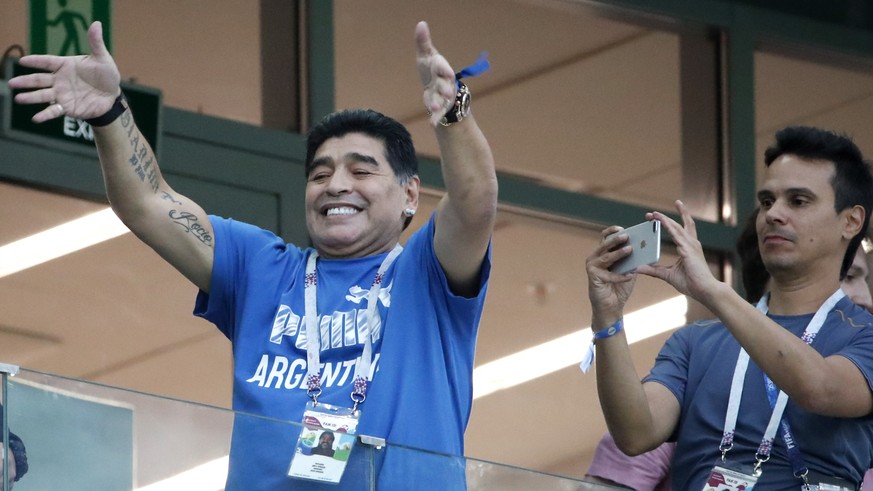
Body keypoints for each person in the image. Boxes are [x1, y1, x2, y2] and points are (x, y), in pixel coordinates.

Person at [9, 20, 496, 490]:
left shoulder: (426, 276)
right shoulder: (265, 268)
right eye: (320, 174)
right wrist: (110, 114)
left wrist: (454, 114)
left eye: (361, 170)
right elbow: (150, 204)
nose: (337, 185)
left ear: (411, 195)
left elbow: (474, 204)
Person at [586, 126, 873, 489]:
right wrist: (608, 317)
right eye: (767, 202)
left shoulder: (864, 335)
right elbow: (635, 433)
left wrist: (711, 291)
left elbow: (819, 388)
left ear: (851, 221)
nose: (774, 215)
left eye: (798, 201)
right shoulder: (695, 343)